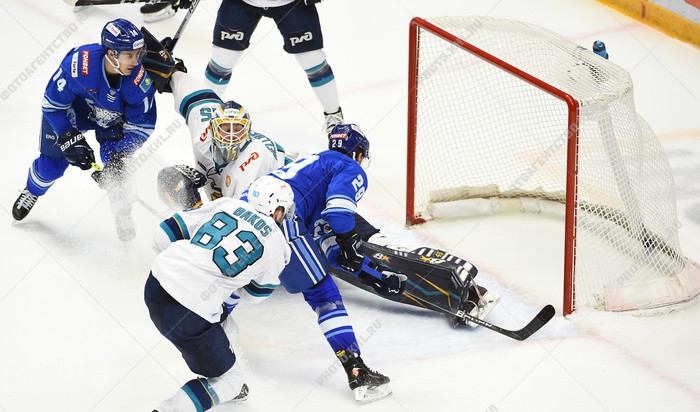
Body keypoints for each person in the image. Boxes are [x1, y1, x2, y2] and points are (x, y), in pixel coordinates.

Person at [249, 125, 397, 403]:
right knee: (323, 295)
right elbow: (339, 213)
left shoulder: (312, 166)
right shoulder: (349, 167)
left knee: (231, 283)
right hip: (281, 220)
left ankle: (214, 346)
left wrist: (363, 268)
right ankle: (358, 373)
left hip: (244, 212)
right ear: (360, 152)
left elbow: (326, 244)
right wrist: (353, 243)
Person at [145, 177, 294, 411]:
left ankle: (221, 369)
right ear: (277, 210)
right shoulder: (279, 245)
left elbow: (162, 235)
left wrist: (191, 264)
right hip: (190, 312)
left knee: (228, 326)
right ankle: (221, 383)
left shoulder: (228, 204)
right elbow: (255, 295)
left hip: (155, 283)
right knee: (232, 383)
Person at [11, 18, 157, 242]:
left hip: (112, 121)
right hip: (73, 115)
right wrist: (69, 137)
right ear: (111, 54)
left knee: (116, 170)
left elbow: (142, 127)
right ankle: (32, 190)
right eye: (129, 55)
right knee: (52, 167)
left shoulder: (138, 81)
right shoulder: (79, 65)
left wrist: (120, 154)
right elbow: (52, 105)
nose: (136, 61)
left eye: (138, 54)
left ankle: (122, 213)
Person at [201, 0, 345, 135]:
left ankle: (334, 116)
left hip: (291, 3)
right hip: (241, 3)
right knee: (223, 59)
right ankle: (203, 112)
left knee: (313, 61)